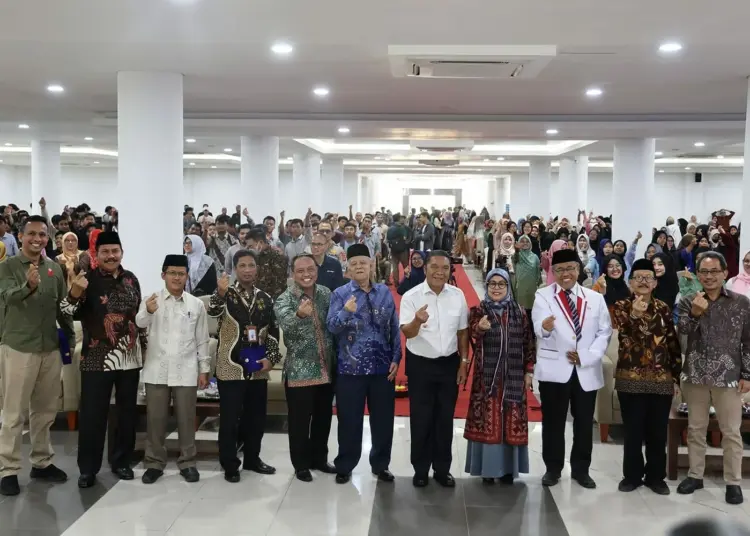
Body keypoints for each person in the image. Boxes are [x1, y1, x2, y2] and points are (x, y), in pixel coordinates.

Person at [60, 231, 145, 488]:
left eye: (115, 251)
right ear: (97, 255)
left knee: (126, 413)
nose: (111, 256)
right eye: (105, 251)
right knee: (92, 414)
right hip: (97, 358)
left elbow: (137, 318)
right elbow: (65, 311)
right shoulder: (87, 280)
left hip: (129, 358)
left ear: (121, 253)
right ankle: (88, 469)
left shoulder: (131, 279)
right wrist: (74, 293)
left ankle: (121, 462)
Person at [0, 216, 74, 496]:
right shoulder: (6, 267)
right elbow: (6, 298)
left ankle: (41, 462)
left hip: (49, 348)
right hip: (18, 347)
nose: (37, 239)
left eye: (42, 235)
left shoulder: (54, 269)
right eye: (31, 234)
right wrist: (28, 286)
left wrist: (70, 336)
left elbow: (62, 308)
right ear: (20, 236)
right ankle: (8, 469)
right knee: (13, 412)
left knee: (44, 412)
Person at [531, 248, 612, 489]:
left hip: (585, 368)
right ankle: (553, 468)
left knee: (584, 422)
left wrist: (586, 356)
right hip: (555, 368)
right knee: (553, 421)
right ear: (553, 272)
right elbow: (538, 326)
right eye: (560, 270)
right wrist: (545, 327)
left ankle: (581, 469)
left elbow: (604, 332)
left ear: (578, 269)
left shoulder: (595, 298)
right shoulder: (543, 296)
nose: (565, 274)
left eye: (570, 268)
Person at [676, 251, 750, 505]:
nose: (709, 277)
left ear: (725, 273)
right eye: (704, 272)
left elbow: (748, 341)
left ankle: (733, 482)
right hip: (695, 374)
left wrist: (748, 375)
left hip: (729, 376)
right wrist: (696, 312)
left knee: (731, 431)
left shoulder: (741, 303)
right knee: (696, 429)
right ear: (697, 275)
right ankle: (695, 476)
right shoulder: (688, 301)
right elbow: (682, 333)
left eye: (714, 271)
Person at [328, 244, 401, 484]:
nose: (359, 267)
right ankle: (345, 464)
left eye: (364, 263)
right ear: (347, 269)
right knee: (349, 419)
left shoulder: (383, 292)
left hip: (382, 368)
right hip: (350, 368)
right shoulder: (340, 294)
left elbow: (393, 327)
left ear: (371, 265)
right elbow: (332, 327)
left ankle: (380, 464)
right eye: (354, 264)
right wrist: (345, 313)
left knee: (383, 420)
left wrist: (396, 358)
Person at [207, 250, 282, 483]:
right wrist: (219, 293)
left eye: (251, 265)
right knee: (230, 419)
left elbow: (272, 331)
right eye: (242, 265)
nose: (247, 269)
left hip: (257, 366)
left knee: (256, 417)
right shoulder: (225, 293)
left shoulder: (265, 298)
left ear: (256, 268)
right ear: (235, 269)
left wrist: (271, 358)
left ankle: (252, 458)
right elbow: (213, 311)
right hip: (230, 366)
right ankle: (229, 463)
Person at [135, 255, 210, 484]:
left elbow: (203, 339)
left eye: (181, 274)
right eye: (172, 273)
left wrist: (204, 369)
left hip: (185, 369)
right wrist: (147, 311)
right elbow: (139, 323)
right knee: (155, 419)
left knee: (186, 419)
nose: (177, 277)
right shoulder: (151, 300)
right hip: (156, 368)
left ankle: (188, 462)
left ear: (187, 276)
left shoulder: (195, 304)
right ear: (163, 275)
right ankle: (154, 463)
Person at [610, 258, 681, 495]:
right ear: (630, 282)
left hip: (661, 380)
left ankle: (655, 477)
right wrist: (633, 314)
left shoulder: (663, 308)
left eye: (647, 278)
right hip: (630, 379)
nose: (642, 281)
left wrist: (676, 377)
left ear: (654, 283)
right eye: (638, 277)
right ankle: (631, 476)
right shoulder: (621, 306)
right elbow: (622, 331)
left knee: (657, 432)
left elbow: (672, 343)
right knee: (633, 431)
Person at [400, 250, 470, 488]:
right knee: (421, 418)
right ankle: (420, 469)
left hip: (448, 364)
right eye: (435, 267)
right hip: (420, 364)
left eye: (445, 268)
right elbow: (407, 333)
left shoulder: (458, 295)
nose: (440, 272)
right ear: (425, 268)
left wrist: (463, 363)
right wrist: (418, 320)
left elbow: (462, 332)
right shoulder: (411, 296)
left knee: (444, 419)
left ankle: (442, 469)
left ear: (451, 270)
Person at [464, 269, 535, 484]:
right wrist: (480, 328)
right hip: (487, 380)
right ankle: (488, 469)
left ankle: (508, 470)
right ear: (486, 287)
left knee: (510, 419)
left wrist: (529, 371)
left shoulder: (519, 312)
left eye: (501, 284)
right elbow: (471, 336)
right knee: (488, 419)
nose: (496, 288)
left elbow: (529, 342)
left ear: (508, 287)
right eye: (492, 284)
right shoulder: (478, 310)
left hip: (513, 377)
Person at [274, 255, 336, 482]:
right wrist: (299, 315)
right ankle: (300, 464)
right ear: (293, 273)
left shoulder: (326, 294)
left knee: (323, 418)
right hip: (300, 370)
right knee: (299, 422)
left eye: (310, 269)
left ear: (317, 270)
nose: (306, 274)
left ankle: (320, 458)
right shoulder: (284, 299)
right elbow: (286, 325)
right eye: (300, 271)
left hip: (326, 368)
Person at [246, 227, 289, 300]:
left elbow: (279, 286)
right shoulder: (256, 257)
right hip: (258, 299)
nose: (249, 249)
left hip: (273, 301)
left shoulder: (277, 256)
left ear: (261, 243)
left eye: (251, 246)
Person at [512, 235, 541, 318]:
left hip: (532, 287)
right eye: (522, 241)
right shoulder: (518, 255)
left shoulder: (535, 257)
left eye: (527, 241)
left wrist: (538, 283)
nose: (525, 243)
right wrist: (517, 250)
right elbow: (515, 258)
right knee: (520, 310)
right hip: (520, 286)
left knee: (531, 310)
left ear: (530, 243)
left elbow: (538, 271)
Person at [387, 215, 411, 285]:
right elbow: (405, 238)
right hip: (403, 250)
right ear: (399, 219)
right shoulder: (402, 228)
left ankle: (396, 282)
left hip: (393, 250)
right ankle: (407, 281)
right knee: (405, 266)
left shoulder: (390, 228)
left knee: (395, 267)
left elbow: (388, 239)